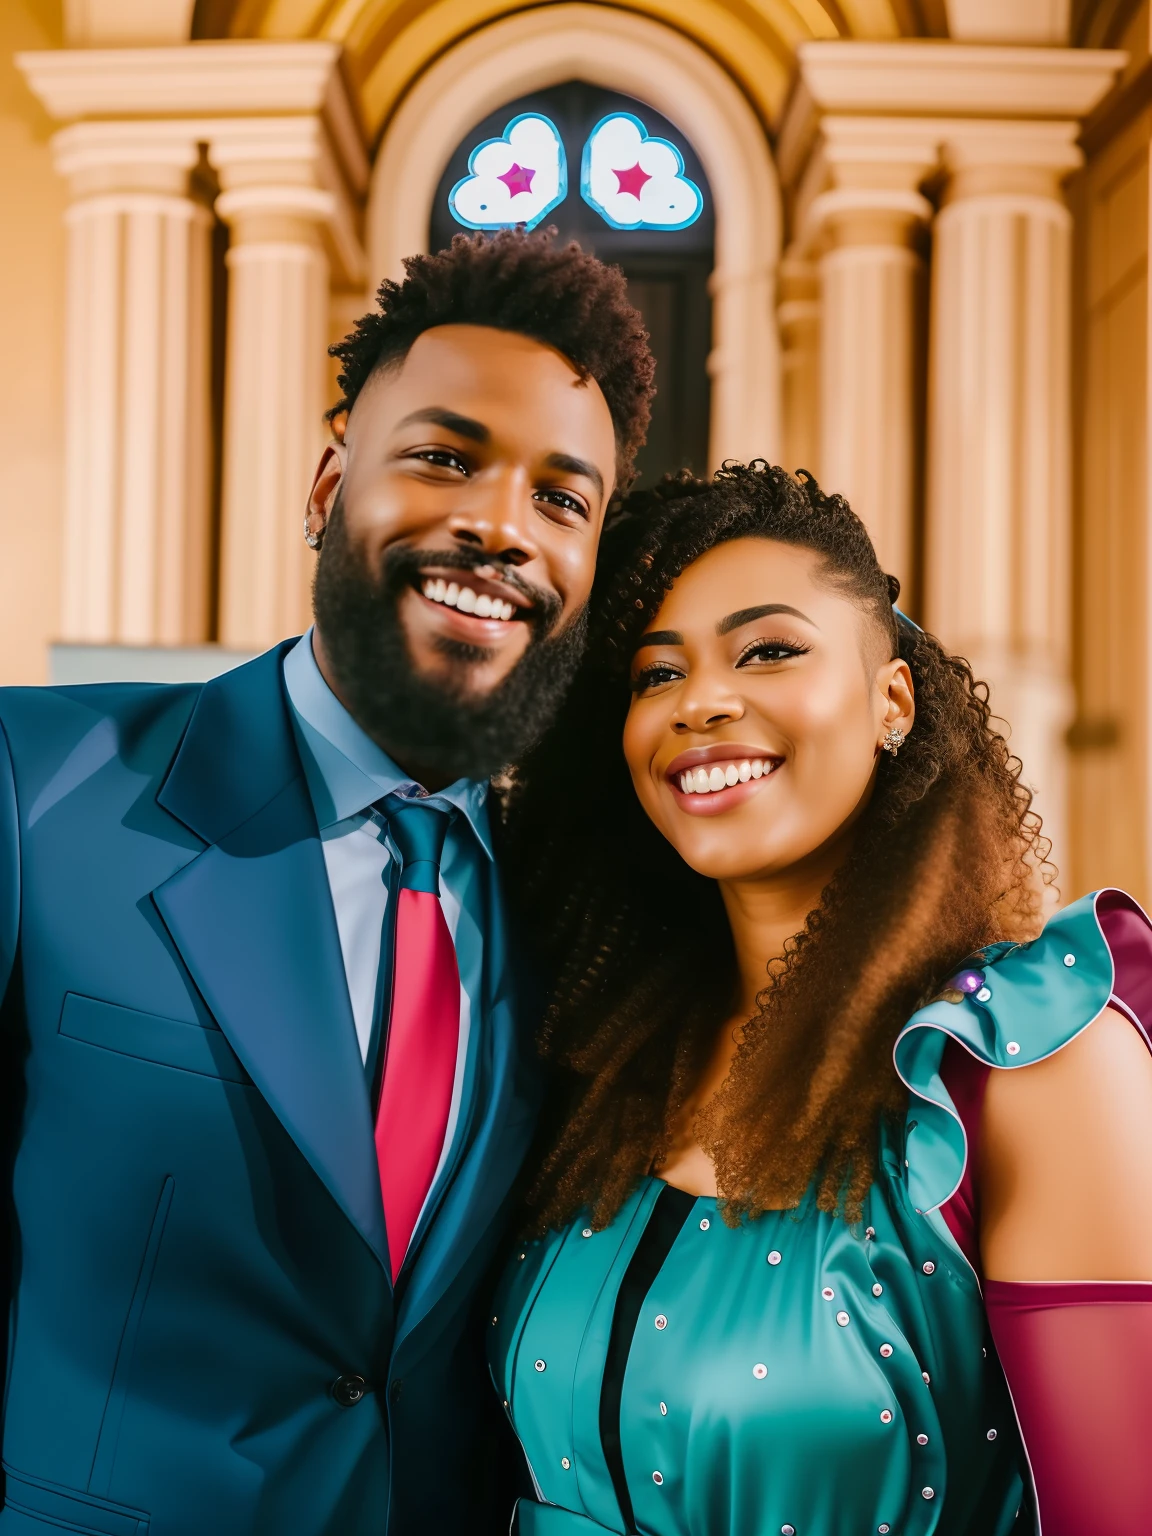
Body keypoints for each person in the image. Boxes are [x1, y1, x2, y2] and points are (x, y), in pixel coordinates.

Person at [0, 230, 655, 1536]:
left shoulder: (583, 905)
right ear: (326, 483)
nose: (499, 527)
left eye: (561, 499)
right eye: (445, 456)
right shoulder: (39, 787)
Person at [491, 462, 1152, 1536]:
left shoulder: (1030, 1064)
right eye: (655, 675)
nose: (700, 700)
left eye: (768, 651)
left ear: (892, 698)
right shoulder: (600, 1057)